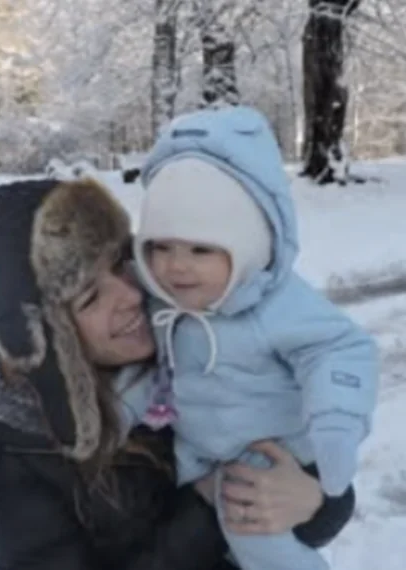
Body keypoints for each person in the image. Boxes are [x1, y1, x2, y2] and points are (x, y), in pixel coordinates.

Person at [0, 177, 357, 570]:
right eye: (90, 297)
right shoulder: (19, 457)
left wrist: (314, 501)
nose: (131, 295)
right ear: (44, 342)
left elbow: (302, 476)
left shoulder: (189, 350)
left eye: (121, 262)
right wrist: (205, 508)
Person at [126, 105, 379, 570]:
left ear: (246, 245)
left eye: (200, 249)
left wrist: (337, 421)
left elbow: (339, 349)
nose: (176, 266)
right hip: (198, 453)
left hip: (268, 455)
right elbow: (144, 374)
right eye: (160, 247)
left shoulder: (275, 304)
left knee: (255, 535)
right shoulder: (160, 303)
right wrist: (118, 411)